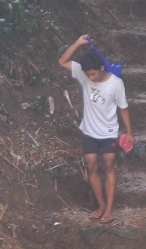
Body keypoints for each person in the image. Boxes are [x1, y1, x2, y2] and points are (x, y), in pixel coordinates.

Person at [59, 34, 134, 224]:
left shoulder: (116, 84)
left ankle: (109, 209)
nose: (91, 77)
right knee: (91, 166)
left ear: (101, 68)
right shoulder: (84, 75)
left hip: (109, 132)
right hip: (89, 132)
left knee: (109, 165)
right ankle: (100, 205)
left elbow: (123, 108)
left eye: (94, 74)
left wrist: (130, 132)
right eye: (88, 75)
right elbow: (63, 61)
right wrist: (77, 42)